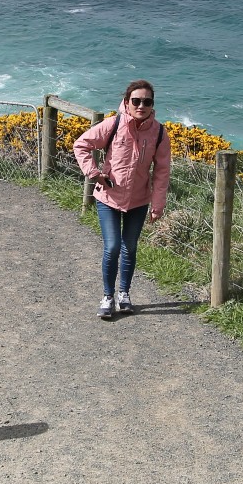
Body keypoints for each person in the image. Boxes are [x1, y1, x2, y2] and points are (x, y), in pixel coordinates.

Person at [72, 79, 172, 320]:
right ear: (127, 103)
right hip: (108, 197)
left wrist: (157, 204)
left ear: (152, 104)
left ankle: (124, 294)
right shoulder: (114, 123)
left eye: (146, 101)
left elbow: (161, 171)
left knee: (130, 248)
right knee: (113, 246)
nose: (141, 106)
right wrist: (94, 173)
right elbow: (81, 144)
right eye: (136, 101)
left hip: (138, 201)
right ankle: (107, 297)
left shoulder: (159, 132)